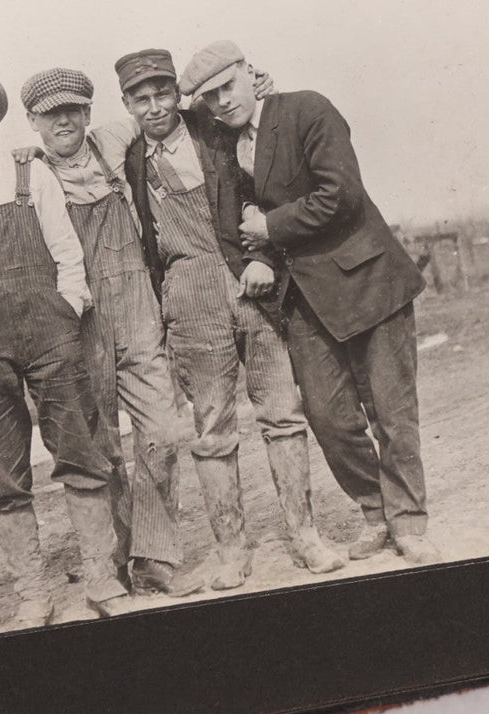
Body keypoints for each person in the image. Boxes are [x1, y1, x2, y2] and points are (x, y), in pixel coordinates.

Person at [180, 40, 440, 565]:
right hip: (303, 300)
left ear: (250, 73)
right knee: (328, 418)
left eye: (228, 86)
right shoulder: (227, 147)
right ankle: (374, 512)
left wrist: (270, 226)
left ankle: (408, 523)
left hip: (368, 282)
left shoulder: (307, 109)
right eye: (209, 97)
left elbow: (340, 193)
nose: (222, 102)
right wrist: (264, 252)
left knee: (391, 412)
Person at [116, 48, 345, 589]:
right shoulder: (125, 157)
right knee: (212, 428)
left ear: (180, 94)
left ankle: (306, 536)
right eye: (139, 99)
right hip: (187, 296)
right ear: (126, 104)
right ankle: (231, 551)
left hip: (250, 283)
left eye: (162, 94)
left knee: (282, 413)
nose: (154, 108)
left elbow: (262, 193)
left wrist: (264, 258)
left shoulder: (218, 133)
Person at [0, 58, 130, 623]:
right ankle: (32, 594)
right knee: (2, 476)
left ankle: (101, 580)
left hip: (51, 334)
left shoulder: (29, 171)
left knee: (80, 454)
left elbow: (67, 252)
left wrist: (67, 309)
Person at [19, 67, 203, 597]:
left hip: (137, 312)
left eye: (74, 110)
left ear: (89, 113)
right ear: (33, 121)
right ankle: (119, 559)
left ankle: (153, 556)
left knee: (164, 435)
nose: (65, 121)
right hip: (77, 325)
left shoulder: (114, 142)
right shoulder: (26, 177)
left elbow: (172, 116)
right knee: (101, 447)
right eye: (52, 114)